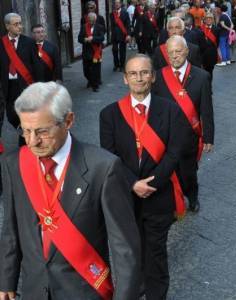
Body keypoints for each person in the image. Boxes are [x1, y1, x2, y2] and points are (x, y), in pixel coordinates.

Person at [0, 81, 141, 300]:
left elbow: (124, 248)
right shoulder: (14, 163)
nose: (32, 141)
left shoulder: (103, 167)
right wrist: (6, 281)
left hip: (83, 291)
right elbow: (11, 229)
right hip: (34, 290)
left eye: (42, 131)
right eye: (25, 131)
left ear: (68, 121)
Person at [100, 54, 186, 300]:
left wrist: (153, 184)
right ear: (125, 79)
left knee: (155, 253)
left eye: (144, 72)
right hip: (126, 198)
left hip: (158, 198)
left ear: (153, 76)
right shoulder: (109, 115)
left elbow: (174, 152)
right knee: (130, 251)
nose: (139, 78)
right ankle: (135, 288)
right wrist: (133, 183)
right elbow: (110, 155)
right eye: (134, 74)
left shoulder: (170, 110)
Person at [152, 35, 214, 212]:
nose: (174, 56)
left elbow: (207, 110)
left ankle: (192, 197)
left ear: (187, 51)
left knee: (188, 173)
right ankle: (174, 201)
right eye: (170, 53)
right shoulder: (160, 76)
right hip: (166, 136)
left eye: (178, 51)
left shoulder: (202, 76)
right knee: (170, 172)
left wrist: (208, 137)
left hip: (190, 136)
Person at [0, 13, 39, 131]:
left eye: (20, 23)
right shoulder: (1, 43)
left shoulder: (29, 42)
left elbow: (36, 66)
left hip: (25, 85)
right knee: (11, 116)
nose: (20, 27)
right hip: (8, 86)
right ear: (7, 26)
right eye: (16, 24)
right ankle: (22, 130)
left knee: (25, 114)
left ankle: (24, 139)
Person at [78, 12, 105, 92]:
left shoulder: (99, 27)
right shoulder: (84, 27)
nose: (91, 22)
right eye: (89, 20)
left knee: (95, 70)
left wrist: (92, 39)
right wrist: (84, 40)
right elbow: (79, 38)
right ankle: (90, 80)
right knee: (86, 71)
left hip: (96, 51)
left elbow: (102, 38)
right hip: (86, 52)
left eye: (92, 20)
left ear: (95, 20)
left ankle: (95, 86)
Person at [111, 0, 131, 72]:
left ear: (120, 4)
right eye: (115, 3)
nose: (116, 4)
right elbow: (112, 26)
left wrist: (128, 34)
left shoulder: (125, 13)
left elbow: (128, 25)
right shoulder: (112, 14)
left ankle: (122, 65)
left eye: (118, 3)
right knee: (115, 50)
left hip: (123, 35)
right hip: (114, 36)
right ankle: (116, 65)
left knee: (122, 51)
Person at [201, 12, 219, 79]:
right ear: (204, 20)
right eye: (207, 18)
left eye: (210, 18)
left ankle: (209, 87)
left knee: (210, 72)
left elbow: (217, 43)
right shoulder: (200, 29)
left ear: (213, 20)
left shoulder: (217, 29)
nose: (208, 20)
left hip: (212, 55)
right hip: (202, 55)